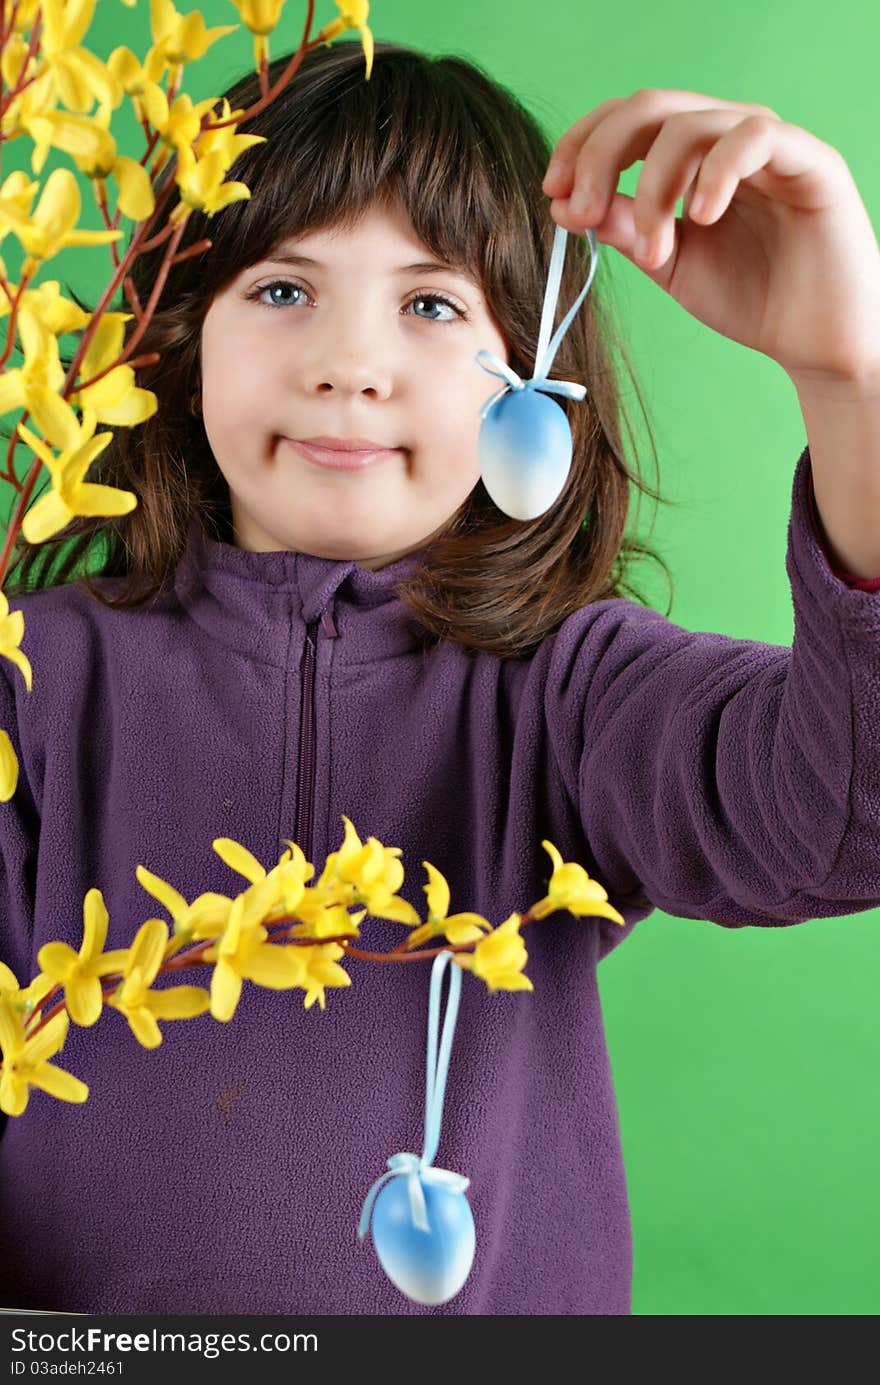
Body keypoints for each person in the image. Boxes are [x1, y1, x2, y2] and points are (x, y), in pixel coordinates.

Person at [0, 38, 878, 1316]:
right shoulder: (32, 680)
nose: (349, 364)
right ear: (178, 335)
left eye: (429, 305)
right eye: (283, 288)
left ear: (528, 369)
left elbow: (842, 813)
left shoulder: (566, 693)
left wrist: (847, 379)